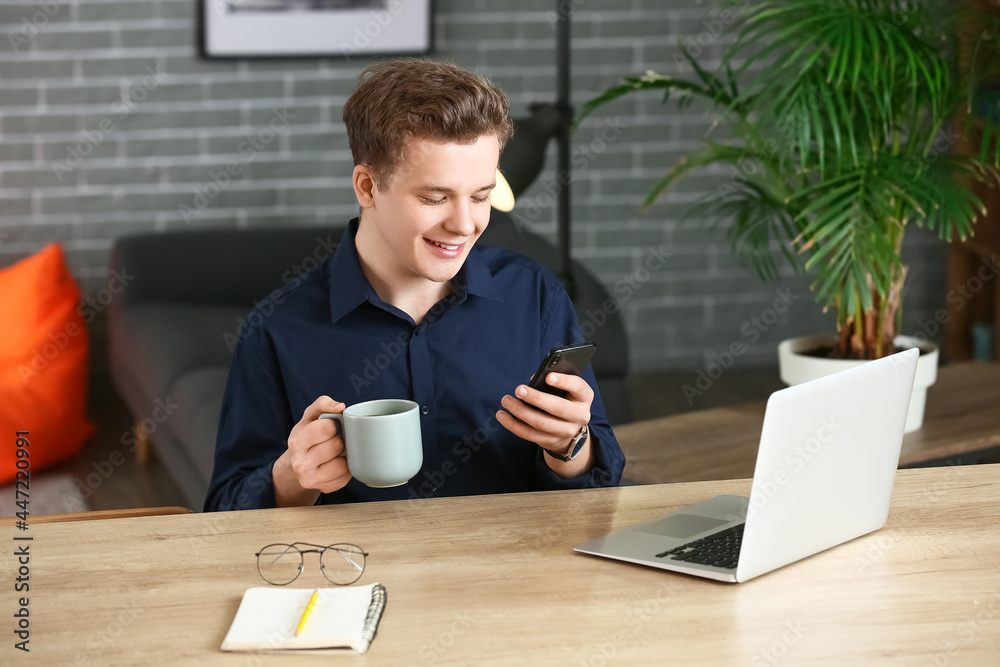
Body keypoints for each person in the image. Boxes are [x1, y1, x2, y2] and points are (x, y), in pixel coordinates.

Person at [204, 58, 625, 511]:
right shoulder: (276, 329)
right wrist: (292, 477)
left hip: (514, 554)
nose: (464, 224)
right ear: (367, 187)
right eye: (434, 198)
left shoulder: (535, 296)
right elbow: (224, 511)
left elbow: (599, 482)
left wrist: (570, 446)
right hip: (357, 559)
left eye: (481, 196)